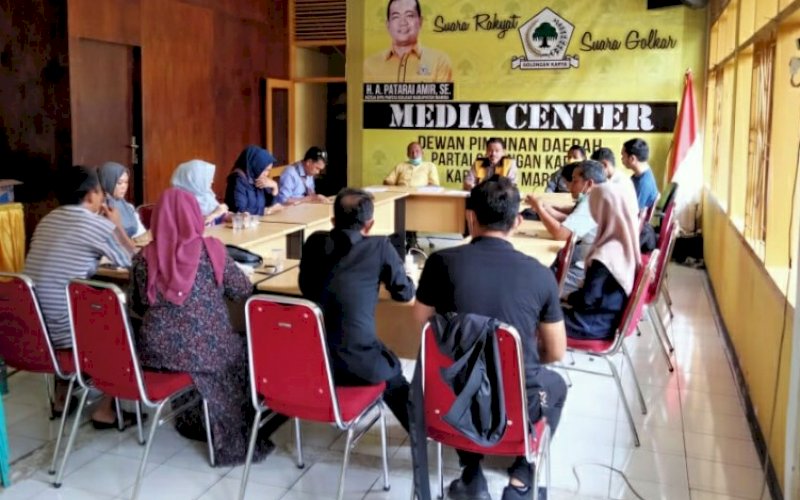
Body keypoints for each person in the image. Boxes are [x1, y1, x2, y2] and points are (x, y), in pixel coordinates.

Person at [414, 177, 567, 500]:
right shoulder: (540, 275)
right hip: (519, 402)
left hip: (453, 397)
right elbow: (555, 351)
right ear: (518, 222)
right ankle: (522, 476)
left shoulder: (440, 263)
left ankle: (471, 474)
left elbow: (424, 330)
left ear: (470, 217)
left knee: (459, 377)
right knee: (556, 385)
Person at [130, 188, 281, 465]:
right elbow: (242, 290)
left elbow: (138, 305)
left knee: (204, 351)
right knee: (243, 348)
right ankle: (249, 419)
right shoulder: (211, 250)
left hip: (154, 351)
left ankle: (193, 419)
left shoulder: (142, 258)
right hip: (206, 349)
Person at [25, 165, 135, 427]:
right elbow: (133, 262)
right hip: (65, 329)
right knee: (119, 318)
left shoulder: (46, 219)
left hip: (33, 326)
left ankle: (62, 398)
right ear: (92, 194)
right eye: (100, 193)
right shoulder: (94, 223)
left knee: (64, 302)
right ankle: (105, 410)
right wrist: (117, 227)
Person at [298, 188, 415, 430]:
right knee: (392, 369)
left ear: (332, 221)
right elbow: (404, 293)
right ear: (369, 225)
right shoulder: (380, 247)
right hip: (355, 365)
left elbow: (306, 287)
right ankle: (419, 432)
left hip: (313, 362)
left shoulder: (314, 242)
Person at [563, 183, 641, 340]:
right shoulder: (624, 239)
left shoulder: (606, 254)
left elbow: (588, 300)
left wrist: (568, 297)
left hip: (591, 324)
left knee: (536, 314)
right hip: (607, 318)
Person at [526, 160, 607, 295]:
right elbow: (570, 221)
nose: (570, 186)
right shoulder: (600, 195)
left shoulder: (592, 202)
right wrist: (544, 209)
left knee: (532, 281)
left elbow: (560, 233)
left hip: (584, 273)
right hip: (590, 263)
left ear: (589, 183)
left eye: (575, 181)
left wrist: (540, 209)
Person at [363, 0, 453, 83]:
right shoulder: (370, 65)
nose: (403, 22)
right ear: (388, 25)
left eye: (409, 15)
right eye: (396, 17)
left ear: (420, 21)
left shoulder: (439, 62)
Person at [97, 161, 146, 238]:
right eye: (119, 183)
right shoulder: (99, 209)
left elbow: (142, 235)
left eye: (126, 182)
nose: (124, 187)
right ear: (108, 181)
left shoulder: (129, 208)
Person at [172, 159, 228, 224]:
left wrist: (235, 216)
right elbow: (194, 226)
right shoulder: (179, 200)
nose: (212, 181)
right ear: (194, 179)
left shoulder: (205, 195)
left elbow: (221, 216)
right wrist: (215, 213)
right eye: (207, 178)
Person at [621, 138, 660, 212]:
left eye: (623, 156)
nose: (622, 159)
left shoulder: (644, 183)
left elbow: (633, 213)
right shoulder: (639, 175)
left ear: (632, 159)